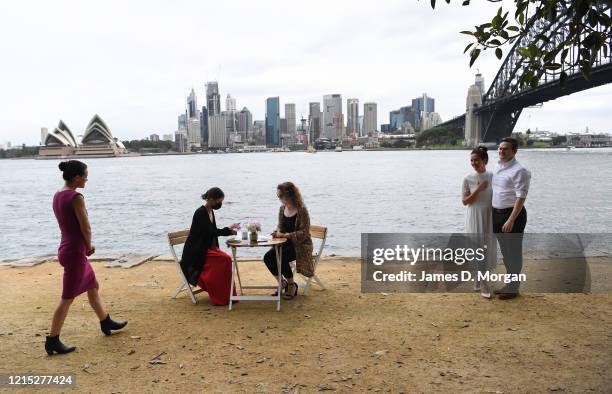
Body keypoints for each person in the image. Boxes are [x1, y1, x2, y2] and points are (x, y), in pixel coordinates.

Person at [46, 160, 127, 356]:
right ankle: (52, 340)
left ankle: (105, 321)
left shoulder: (58, 195)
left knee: (92, 286)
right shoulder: (76, 197)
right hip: (75, 251)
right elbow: (85, 227)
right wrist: (89, 245)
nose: (87, 179)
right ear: (77, 177)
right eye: (85, 175)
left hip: (67, 247)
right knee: (67, 298)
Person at [180, 187, 239, 306]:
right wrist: (228, 231)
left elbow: (212, 231)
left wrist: (228, 229)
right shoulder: (200, 212)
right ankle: (221, 297)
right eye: (219, 201)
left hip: (206, 248)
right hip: (196, 251)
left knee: (226, 259)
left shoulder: (210, 211)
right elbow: (210, 232)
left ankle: (227, 295)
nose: (220, 204)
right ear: (211, 199)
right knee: (225, 259)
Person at [491, 137, 531, 300]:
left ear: (514, 151)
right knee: (506, 253)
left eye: (505, 149)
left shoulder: (520, 171)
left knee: (513, 253)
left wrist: (511, 220)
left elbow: (521, 197)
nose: (501, 151)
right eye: (500, 148)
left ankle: (514, 288)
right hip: (497, 214)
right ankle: (510, 284)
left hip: (512, 216)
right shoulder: (497, 166)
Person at [263, 182, 314, 300]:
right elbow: (280, 226)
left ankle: (291, 285)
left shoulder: (302, 210)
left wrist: (285, 235)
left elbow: (304, 232)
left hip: (300, 245)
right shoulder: (282, 209)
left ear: (290, 195)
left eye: (281, 196)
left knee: (280, 257)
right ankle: (282, 282)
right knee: (268, 257)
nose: (279, 198)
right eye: (278, 196)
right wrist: (277, 232)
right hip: (284, 242)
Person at [462, 146, 497, 299]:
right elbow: (465, 201)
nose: (473, 163)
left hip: (489, 215)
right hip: (474, 215)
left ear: (485, 160)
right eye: (471, 160)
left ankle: (478, 281)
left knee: (486, 248)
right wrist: (478, 189)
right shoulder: (467, 178)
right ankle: (483, 284)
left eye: (476, 160)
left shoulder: (493, 177)